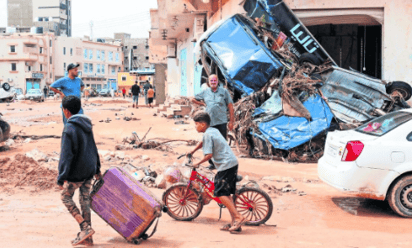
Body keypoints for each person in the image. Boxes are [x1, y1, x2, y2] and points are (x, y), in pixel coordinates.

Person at [188, 112, 245, 234]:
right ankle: (234, 222)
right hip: (231, 162)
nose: (195, 127)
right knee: (227, 194)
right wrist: (192, 151)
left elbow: (209, 155)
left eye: (196, 124)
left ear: (203, 124)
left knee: (219, 193)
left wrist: (197, 163)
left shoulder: (208, 135)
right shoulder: (212, 130)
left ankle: (239, 217)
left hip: (225, 165)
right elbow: (203, 142)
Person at [57, 95, 102, 246]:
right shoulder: (87, 125)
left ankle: (85, 228)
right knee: (85, 200)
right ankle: (88, 238)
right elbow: (93, 147)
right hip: (89, 169)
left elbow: (66, 156)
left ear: (66, 111)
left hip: (77, 172)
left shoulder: (69, 128)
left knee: (65, 197)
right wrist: (97, 168)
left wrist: (61, 177)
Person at [192, 74, 234, 140]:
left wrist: (231, 122)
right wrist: (202, 104)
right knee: (210, 141)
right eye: (211, 80)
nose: (213, 82)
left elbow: (230, 106)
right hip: (209, 122)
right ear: (208, 82)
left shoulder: (224, 91)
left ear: (218, 82)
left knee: (222, 142)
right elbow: (193, 99)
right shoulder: (205, 92)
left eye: (215, 80)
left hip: (221, 122)